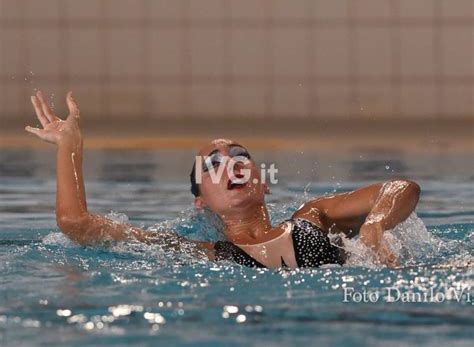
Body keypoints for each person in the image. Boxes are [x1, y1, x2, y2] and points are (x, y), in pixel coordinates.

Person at [25, 91, 421, 269]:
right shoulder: (199, 254)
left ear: (263, 183)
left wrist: (374, 225)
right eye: (212, 163)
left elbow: (401, 188)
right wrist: (70, 146)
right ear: (201, 200)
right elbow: (77, 225)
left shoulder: (313, 216)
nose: (230, 164)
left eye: (241, 157)